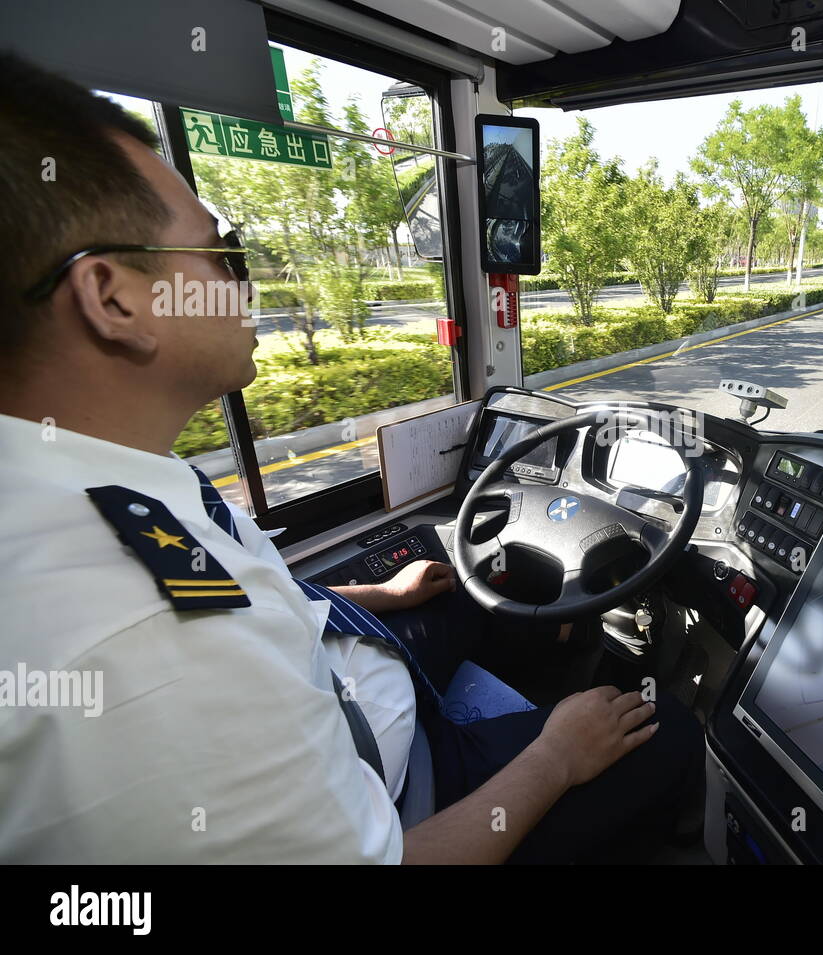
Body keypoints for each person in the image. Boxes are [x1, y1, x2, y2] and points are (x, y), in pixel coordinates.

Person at [0, 53, 701, 864]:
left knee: (470, 588)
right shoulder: (146, 642)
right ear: (113, 298)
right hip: (404, 789)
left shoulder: (110, 481)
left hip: (349, 678)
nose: (248, 284)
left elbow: (246, 595)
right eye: (223, 254)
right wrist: (557, 755)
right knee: (669, 730)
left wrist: (378, 594)